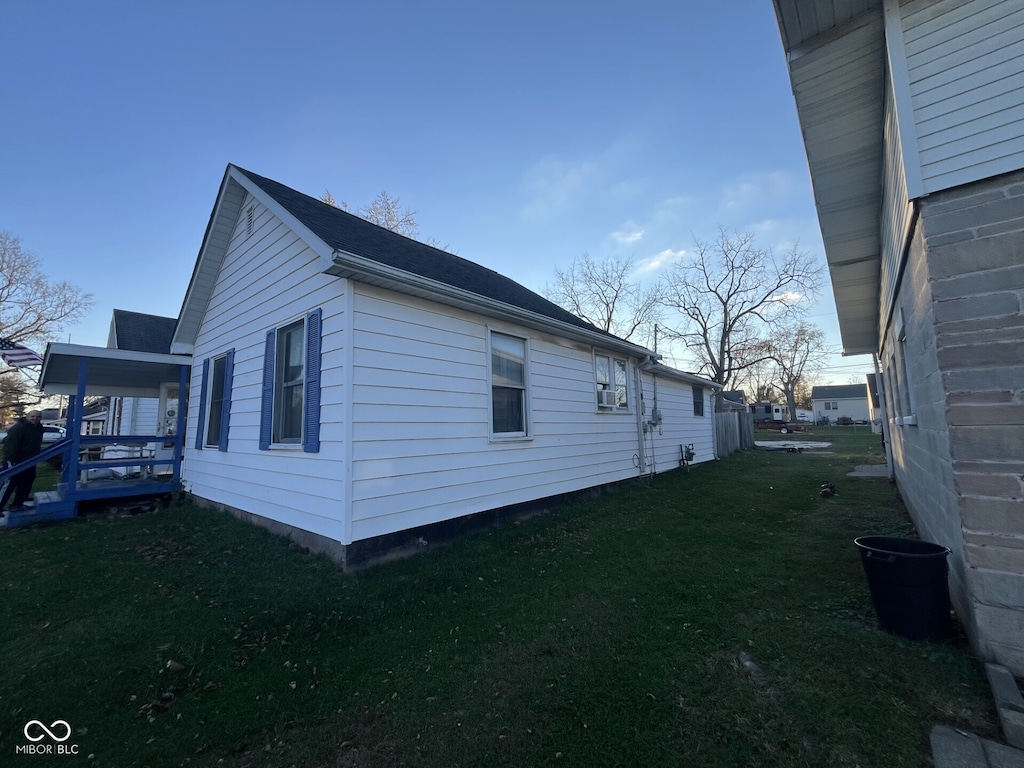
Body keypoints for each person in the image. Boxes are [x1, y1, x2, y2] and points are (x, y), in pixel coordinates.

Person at [1, 410, 45, 515]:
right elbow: (10, 445)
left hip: (29, 461)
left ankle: (17, 504)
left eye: (38, 417)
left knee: (27, 481)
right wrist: (12, 460)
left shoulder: (39, 428)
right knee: (10, 483)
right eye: (33, 416)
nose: (35, 418)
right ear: (27, 416)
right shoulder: (19, 428)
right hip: (15, 460)